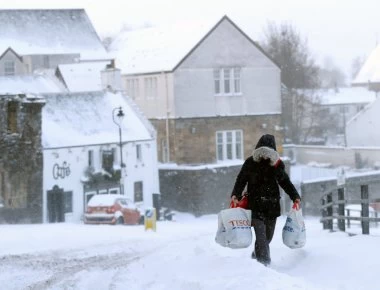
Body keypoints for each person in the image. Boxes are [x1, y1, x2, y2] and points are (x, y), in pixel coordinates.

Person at [231, 134, 300, 266]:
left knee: (267, 237)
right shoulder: (250, 162)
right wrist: (235, 194)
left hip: (271, 207)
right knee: (261, 237)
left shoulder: (277, 165)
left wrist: (295, 196)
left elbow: (285, 182)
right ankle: (264, 264)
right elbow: (241, 180)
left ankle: (256, 255)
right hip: (255, 206)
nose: (265, 156)